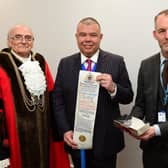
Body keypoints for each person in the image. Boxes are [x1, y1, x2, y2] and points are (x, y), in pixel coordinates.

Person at [52, 17, 133, 168]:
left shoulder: (116, 61)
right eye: (83, 35)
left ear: (100, 37)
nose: (87, 39)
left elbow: (128, 96)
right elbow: (57, 100)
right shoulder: (65, 63)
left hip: (106, 141)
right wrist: (65, 130)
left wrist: (113, 88)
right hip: (76, 138)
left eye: (93, 35)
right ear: (76, 37)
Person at [0, 25, 70, 168]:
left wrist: (59, 135)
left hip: (44, 135)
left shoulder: (40, 61)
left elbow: (52, 96)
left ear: (33, 41)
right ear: (9, 41)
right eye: (18, 37)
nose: (24, 41)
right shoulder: (2, 63)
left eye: (28, 38)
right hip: (15, 140)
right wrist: (2, 151)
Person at [130, 9, 168, 168]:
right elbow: (140, 104)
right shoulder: (146, 65)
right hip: (152, 151)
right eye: (162, 31)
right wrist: (133, 122)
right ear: (155, 34)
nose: (167, 36)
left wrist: (157, 130)